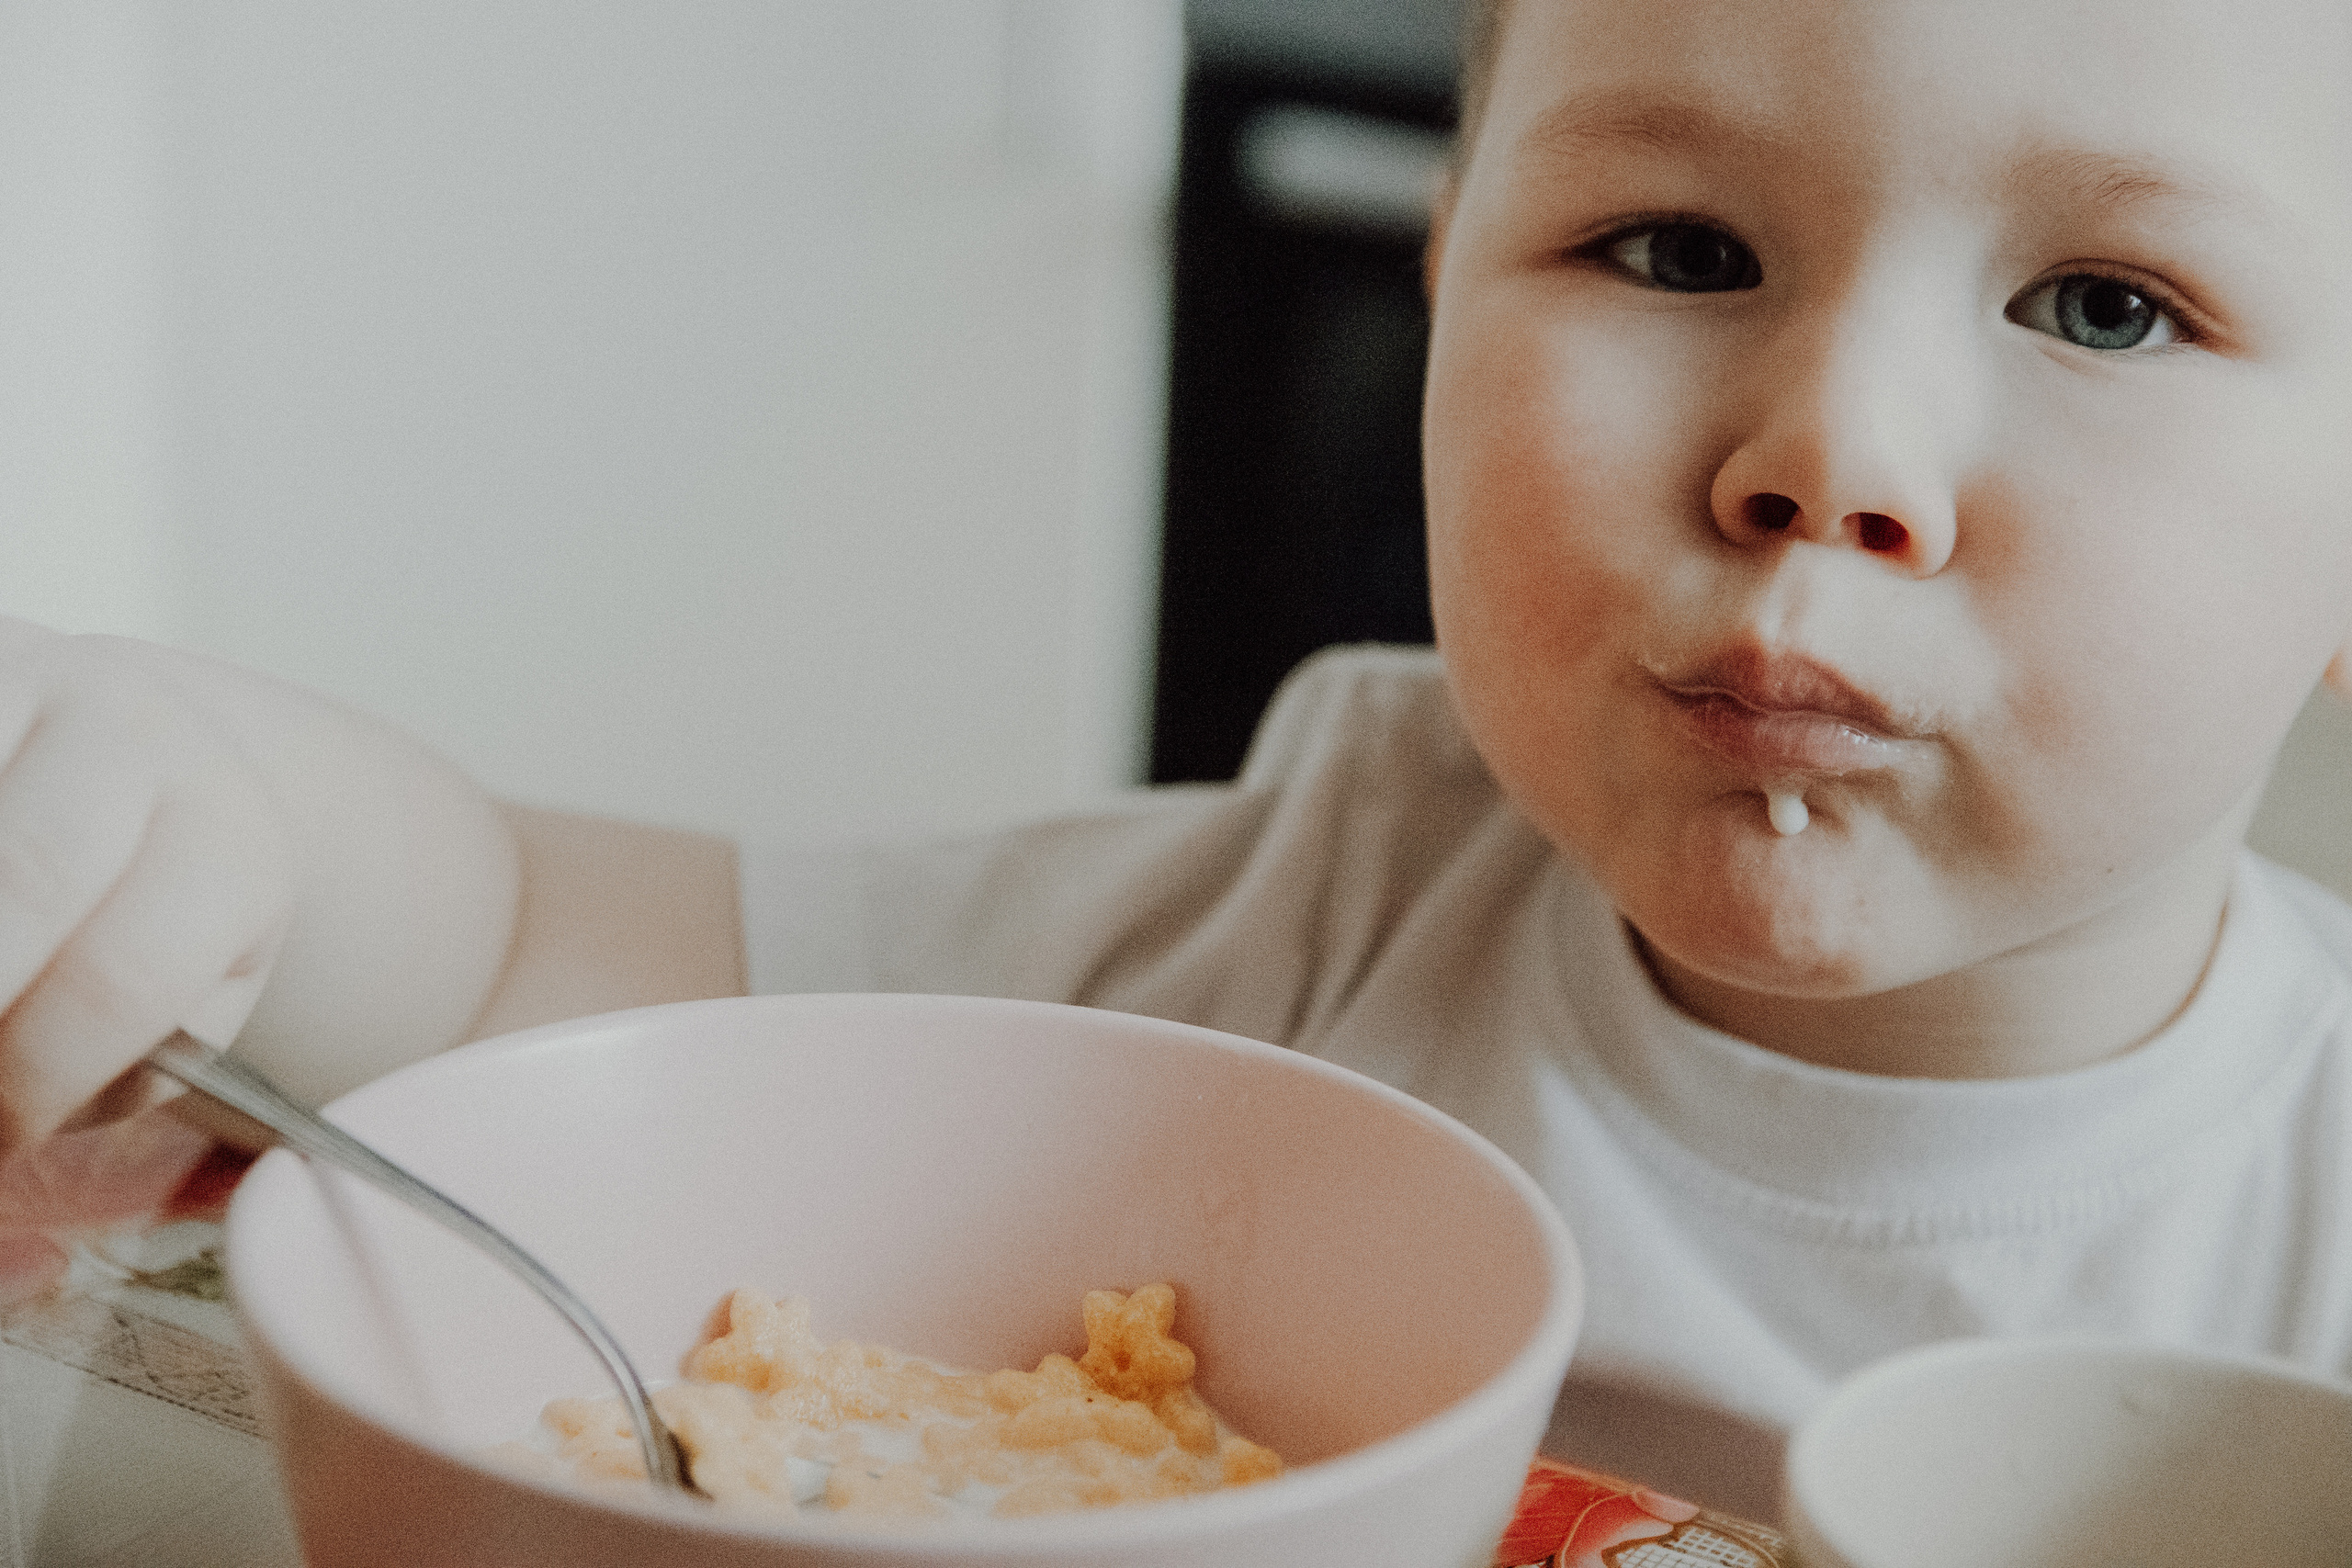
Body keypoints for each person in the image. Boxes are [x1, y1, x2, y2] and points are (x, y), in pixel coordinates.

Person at [4, 0, 2349, 1519]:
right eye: (1672, 244)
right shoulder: (1318, 895)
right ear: (1440, 293)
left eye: (2104, 306)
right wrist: (211, 788)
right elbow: (512, 939)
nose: (1829, 451)